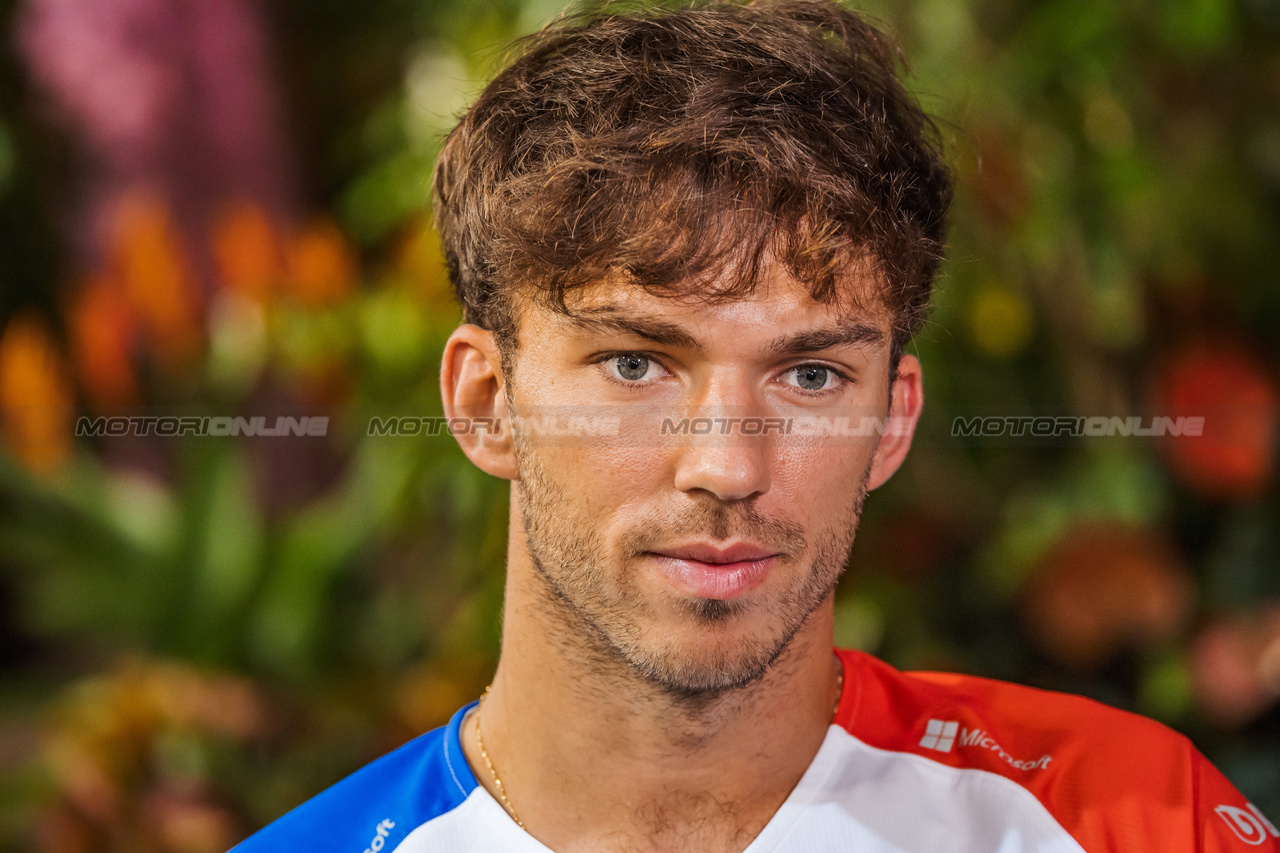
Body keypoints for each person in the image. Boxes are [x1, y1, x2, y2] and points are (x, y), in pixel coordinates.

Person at [231, 1, 1279, 850]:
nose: (728, 464)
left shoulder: (1129, 819)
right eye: (634, 363)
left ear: (889, 422)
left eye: (811, 375)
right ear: (484, 402)